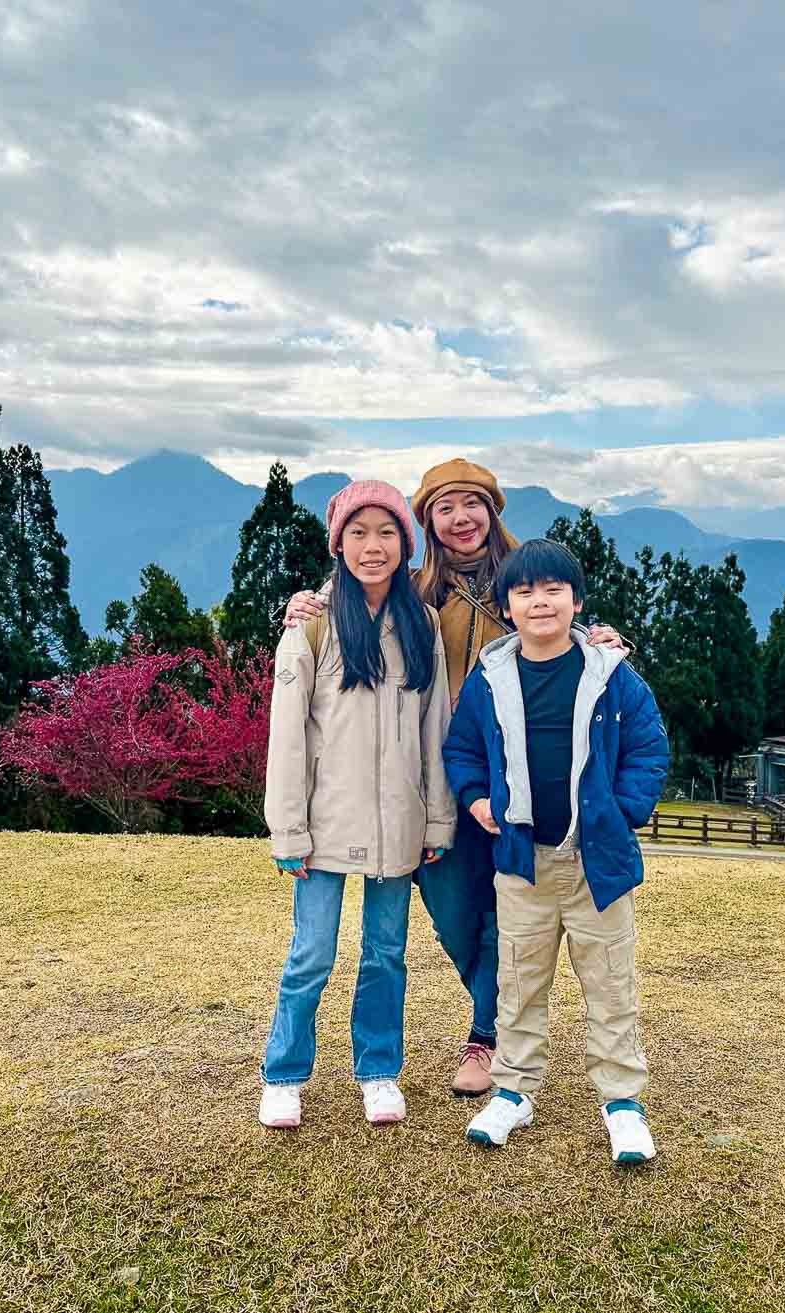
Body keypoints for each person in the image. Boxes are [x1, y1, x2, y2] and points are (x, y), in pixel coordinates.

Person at [284, 458, 625, 1099]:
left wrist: (600, 639)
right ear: (428, 522)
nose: (461, 518)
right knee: (450, 908)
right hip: (434, 777)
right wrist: (306, 603)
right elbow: (353, 597)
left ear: (492, 510)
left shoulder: (524, 577)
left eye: (472, 504)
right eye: (444, 507)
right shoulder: (415, 591)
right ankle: (509, 1015)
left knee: (506, 903)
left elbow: (565, 630)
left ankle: (489, 1037)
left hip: (515, 774)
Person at [442, 539, 669, 1164]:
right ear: (508, 608)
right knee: (519, 980)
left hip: (597, 863)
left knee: (610, 983)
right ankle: (514, 1091)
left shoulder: (611, 676)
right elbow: (460, 749)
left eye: (553, 590)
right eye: (524, 592)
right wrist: (476, 799)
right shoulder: (490, 680)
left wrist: (620, 814)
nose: (540, 602)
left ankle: (622, 1102)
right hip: (521, 860)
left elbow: (649, 750)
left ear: (576, 600)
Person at [259, 479, 456, 1130]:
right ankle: (284, 1074)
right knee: (311, 952)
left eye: (387, 532)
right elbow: (287, 737)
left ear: (407, 542)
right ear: (338, 542)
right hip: (322, 826)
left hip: (398, 824)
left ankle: (378, 1070)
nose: (373, 546)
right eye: (359, 532)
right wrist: (288, 831)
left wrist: (436, 818)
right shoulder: (312, 624)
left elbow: (436, 727)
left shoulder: (420, 622)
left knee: (385, 953)